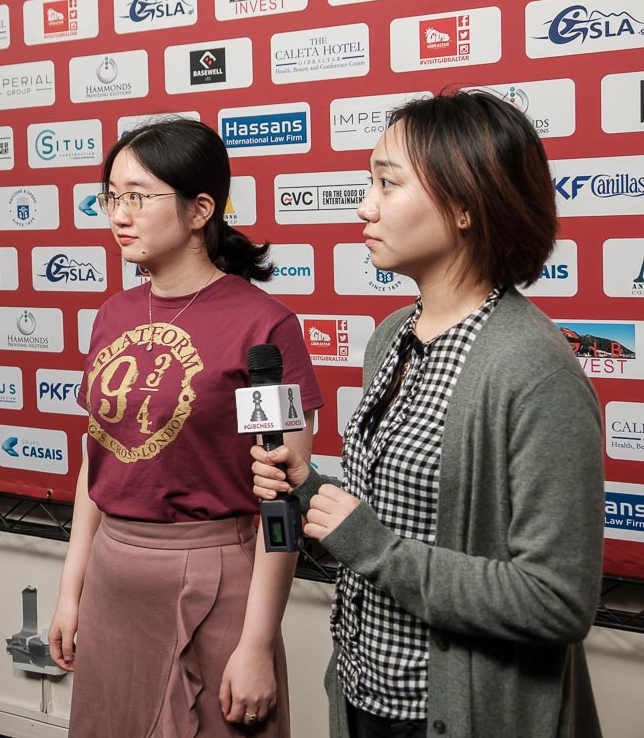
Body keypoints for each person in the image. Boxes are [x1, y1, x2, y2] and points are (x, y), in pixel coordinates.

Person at [251, 91, 604, 738]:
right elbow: (391, 519)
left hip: (455, 717)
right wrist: (307, 491)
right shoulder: (392, 336)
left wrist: (370, 545)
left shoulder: (533, 370)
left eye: (388, 184)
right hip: (363, 698)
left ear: (465, 205)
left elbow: (556, 600)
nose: (365, 207)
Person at [48, 118, 323, 737]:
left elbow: (282, 499)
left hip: (217, 582)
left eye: (137, 197)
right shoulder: (112, 314)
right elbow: (97, 459)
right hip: (114, 576)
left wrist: (259, 642)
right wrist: (72, 589)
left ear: (200, 210)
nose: (118, 215)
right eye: (111, 197)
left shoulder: (264, 329)